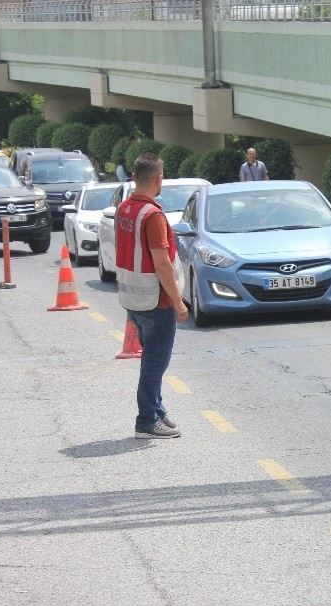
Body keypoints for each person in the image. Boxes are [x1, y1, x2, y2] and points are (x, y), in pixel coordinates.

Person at [115, 153, 189, 439]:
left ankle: (157, 411)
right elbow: (161, 262)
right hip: (157, 301)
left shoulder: (125, 209)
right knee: (155, 363)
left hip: (133, 299)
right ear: (159, 179)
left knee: (152, 359)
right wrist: (179, 302)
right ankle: (146, 420)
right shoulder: (153, 215)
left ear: (134, 177)